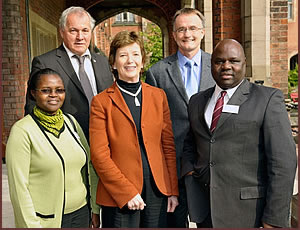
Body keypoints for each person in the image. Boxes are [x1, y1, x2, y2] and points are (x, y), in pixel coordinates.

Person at [181, 39, 297, 228]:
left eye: (233, 61)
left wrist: (274, 218)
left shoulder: (267, 99)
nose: (226, 66)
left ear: (244, 64)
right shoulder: (197, 101)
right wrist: (191, 173)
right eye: (219, 61)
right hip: (206, 212)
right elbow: (190, 144)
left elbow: (283, 162)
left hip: (249, 214)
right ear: (211, 65)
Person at [89, 31, 179, 228]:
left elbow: (168, 147)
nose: (130, 61)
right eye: (123, 55)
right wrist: (125, 191)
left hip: (157, 190)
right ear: (113, 63)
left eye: (135, 54)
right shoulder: (101, 102)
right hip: (120, 195)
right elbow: (99, 155)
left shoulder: (158, 96)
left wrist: (172, 189)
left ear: (142, 60)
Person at [145, 7, 215, 227]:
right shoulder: (157, 72)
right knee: (174, 220)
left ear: (202, 32)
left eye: (193, 28)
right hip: (172, 162)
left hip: (208, 159)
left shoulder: (218, 67)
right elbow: (152, 121)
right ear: (174, 34)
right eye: (181, 29)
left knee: (209, 219)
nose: (187, 34)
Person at [6, 68, 99, 228]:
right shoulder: (22, 131)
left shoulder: (71, 123)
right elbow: (19, 189)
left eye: (59, 90)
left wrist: (94, 209)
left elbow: (90, 166)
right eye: (46, 90)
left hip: (82, 214)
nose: (54, 95)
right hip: (46, 221)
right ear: (33, 93)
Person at [24, 6, 114, 142]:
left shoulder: (102, 61)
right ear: (62, 32)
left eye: (85, 30)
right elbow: (32, 107)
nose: (80, 37)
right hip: (65, 141)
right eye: (73, 31)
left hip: (104, 140)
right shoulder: (44, 63)